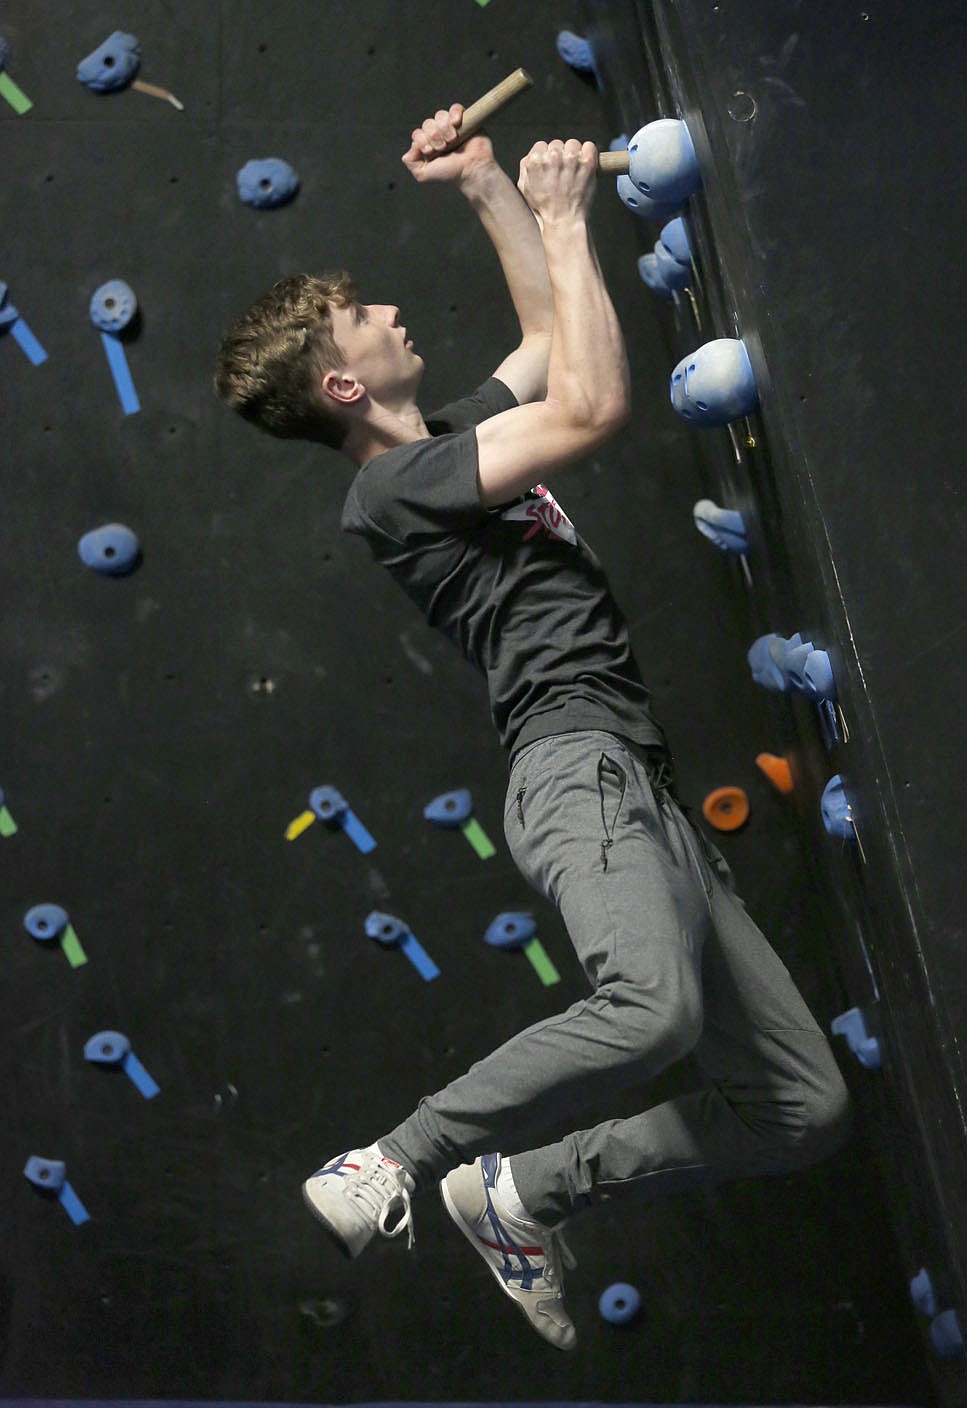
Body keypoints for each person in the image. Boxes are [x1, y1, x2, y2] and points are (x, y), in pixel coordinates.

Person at [214, 102, 853, 1352]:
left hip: (638, 791)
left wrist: (489, 185)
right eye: (368, 318)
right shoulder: (390, 488)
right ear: (343, 381)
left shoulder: (445, 440)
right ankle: (396, 1158)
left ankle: (527, 1192)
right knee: (650, 1010)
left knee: (802, 1103)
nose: (395, 312)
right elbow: (594, 406)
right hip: (579, 770)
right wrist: (569, 216)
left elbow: (555, 341)